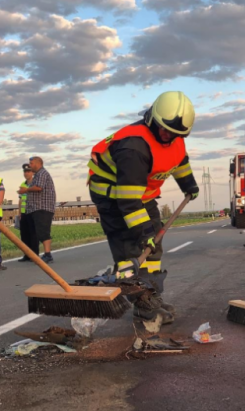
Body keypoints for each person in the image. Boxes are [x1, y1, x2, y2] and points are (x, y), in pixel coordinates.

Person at [87, 91, 199, 324]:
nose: (168, 136)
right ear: (152, 120)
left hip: (142, 194)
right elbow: (128, 201)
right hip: (114, 198)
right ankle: (142, 304)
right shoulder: (134, 148)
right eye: (164, 130)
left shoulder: (173, 137)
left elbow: (178, 161)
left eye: (175, 134)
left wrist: (189, 184)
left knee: (154, 249)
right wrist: (143, 233)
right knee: (131, 251)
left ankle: (151, 295)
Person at [20, 156, 56, 263]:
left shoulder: (42, 174)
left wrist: (26, 190)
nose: (30, 166)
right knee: (39, 232)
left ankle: (48, 254)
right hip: (36, 208)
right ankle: (43, 254)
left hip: (42, 207)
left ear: (37, 163)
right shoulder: (38, 175)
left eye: (31, 163)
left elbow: (38, 187)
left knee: (43, 231)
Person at [17, 163, 39, 262]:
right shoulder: (23, 184)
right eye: (25, 172)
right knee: (24, 235)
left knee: (33, 234)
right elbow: (20, 199)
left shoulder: (36, 184)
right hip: (24, 212)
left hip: (33, 212)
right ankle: (26, 254)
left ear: (32, 173)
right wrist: (19, 213)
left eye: (28, 171)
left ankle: (34, 255)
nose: (26, 173)